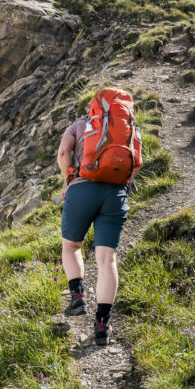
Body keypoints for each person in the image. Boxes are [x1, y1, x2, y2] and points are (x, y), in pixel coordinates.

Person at [58, 104, 140, 345]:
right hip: (115, 194)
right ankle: (102, 324)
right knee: (107, 259)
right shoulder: (129, 128)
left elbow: (64, 153)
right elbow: (136, 163)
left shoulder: (78, 125)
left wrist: (67, 181)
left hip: (81, 187)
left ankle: (78, 298)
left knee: (71, 246)